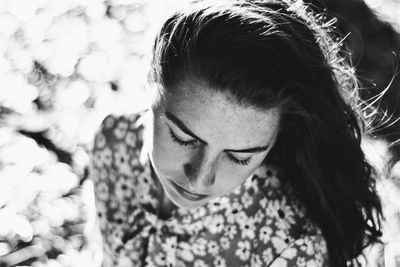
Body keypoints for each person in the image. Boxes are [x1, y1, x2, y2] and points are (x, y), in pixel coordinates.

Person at [90, 0, 383, 266]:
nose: (199, 179)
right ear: (151, 82)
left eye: (239, 157)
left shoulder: (291, 247)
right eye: (182, 138)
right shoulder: (114, 140)